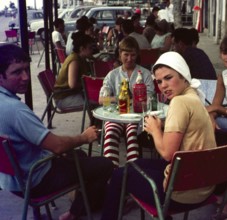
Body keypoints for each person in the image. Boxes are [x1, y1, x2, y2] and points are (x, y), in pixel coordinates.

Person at [0, 44, 115, 220]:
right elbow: (58, 146)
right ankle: (74, 214)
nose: (25, 77)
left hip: (11, 180)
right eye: (16, 72)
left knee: (81, 157)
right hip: (35, 180)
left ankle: (88, 199)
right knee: (105, 165)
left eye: (26, 70)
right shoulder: (16, 111)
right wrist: (84, 137)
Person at [100, 51, 217, 220]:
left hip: (181, 193)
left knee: (119, 175)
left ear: (184, 75)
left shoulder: (179, 102)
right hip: (202, 183)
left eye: (169, 78)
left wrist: (155, 130)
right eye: (160, 81)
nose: (163, 85)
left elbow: (167, 154)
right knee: (135, 165)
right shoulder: (195, 97)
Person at [98, 36, 154, 167]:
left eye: (133, 55)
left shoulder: (145, 74)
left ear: (137, 55)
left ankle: (132, 172)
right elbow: (102, 100)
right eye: (126, 55)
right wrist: (120, 99)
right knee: (110, 132)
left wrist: (137, 102)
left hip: (136, 118)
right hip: (115, 117)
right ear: (119, 55)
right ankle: (111, 171)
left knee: (132, 133)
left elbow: (150, 98)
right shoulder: (112, 75)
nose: (129, 59)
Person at [54, 32, 94, 110]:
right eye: (90, 48)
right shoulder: (74, 60)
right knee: (97, 102)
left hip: (72, 94)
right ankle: (95, 122)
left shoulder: (81, 58)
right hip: (64, 98)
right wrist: (90, 84)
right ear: (82, 49)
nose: (92, 50)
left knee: (97, 99)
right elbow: (72, 84)